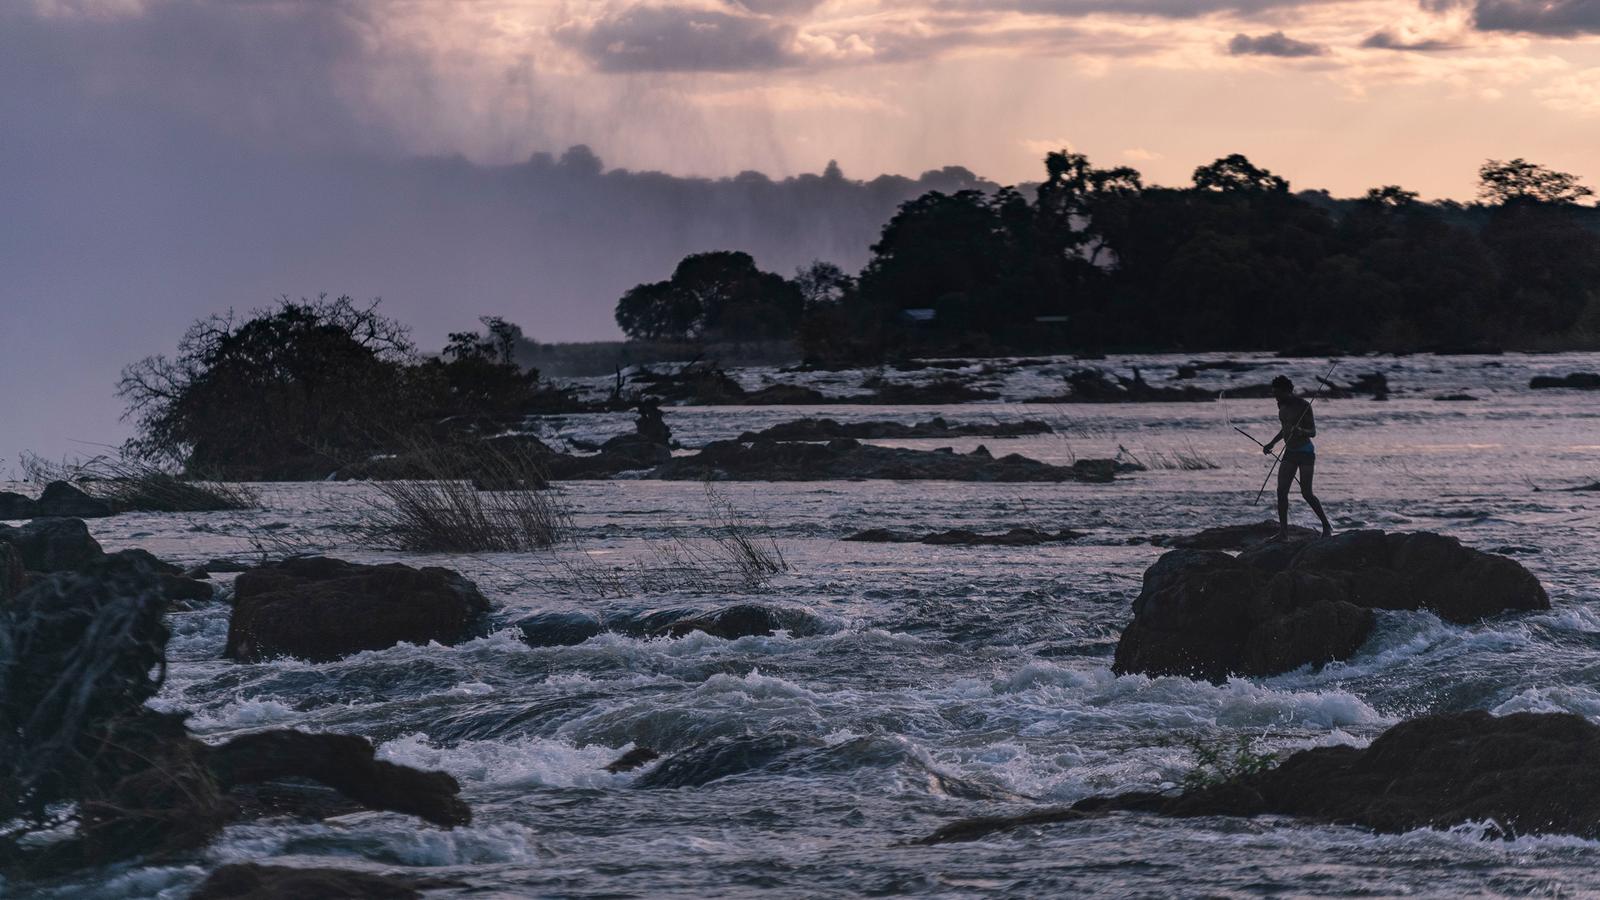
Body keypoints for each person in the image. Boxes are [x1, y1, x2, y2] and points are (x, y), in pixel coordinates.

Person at [1262, 375, 1332, 540]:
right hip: (1290, 452)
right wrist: (1271, 443)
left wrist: (1301, 431)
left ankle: (1326, 526)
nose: (1276, 397)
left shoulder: (1303, 406)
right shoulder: (1281, 406)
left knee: (1306, 493)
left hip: (1306, 452)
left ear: (1288, 391)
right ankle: (1283, 533)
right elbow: (1284, 429)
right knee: (1281, 492)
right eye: (1274, 393)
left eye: (1278, 393)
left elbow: (1313, 432)